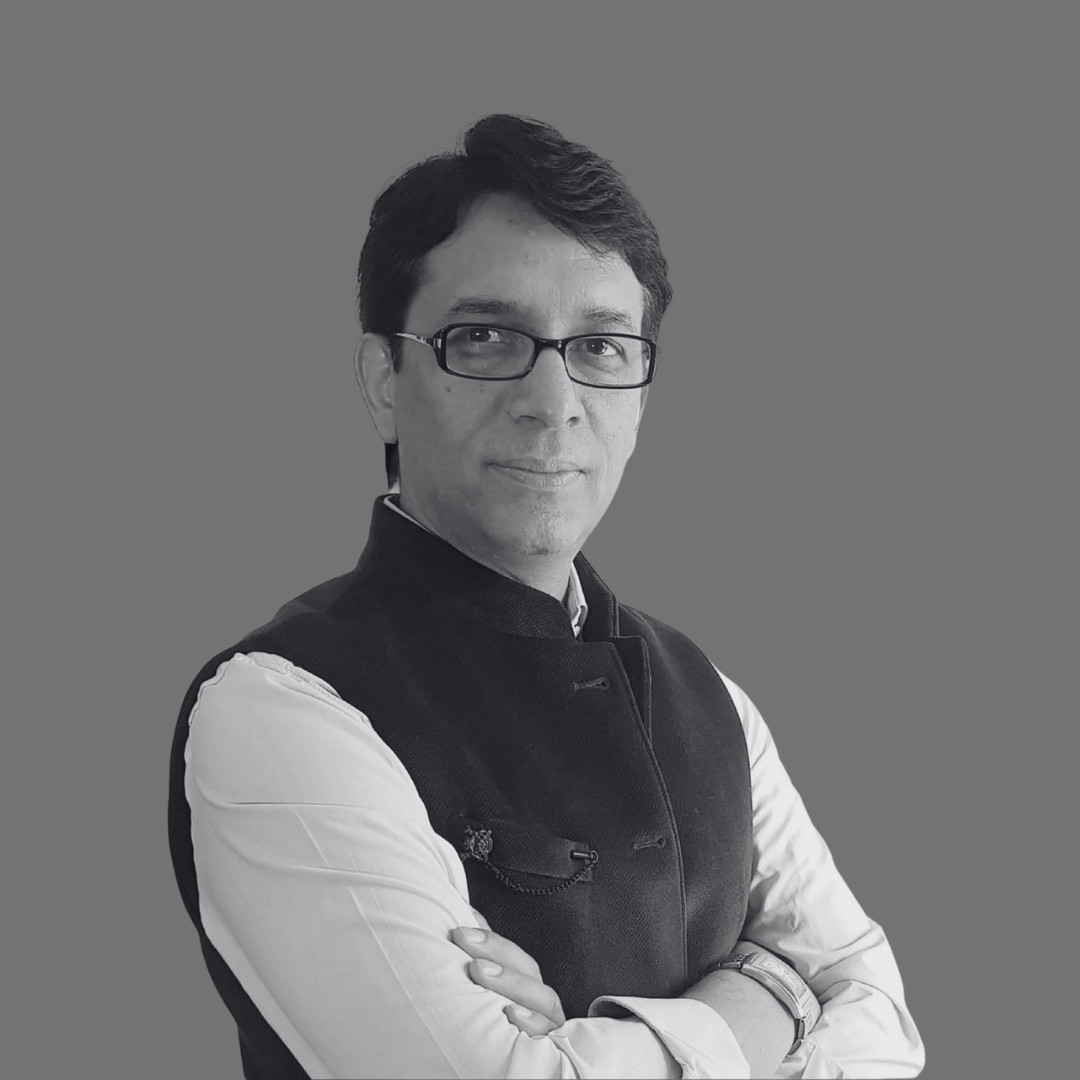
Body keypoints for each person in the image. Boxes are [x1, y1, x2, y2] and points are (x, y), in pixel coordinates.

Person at [169, 114, 924, 1079]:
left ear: (640, 393)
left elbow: (884, 1023)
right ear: (383, 379)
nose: (554, 401)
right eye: (485, 337)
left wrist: (585, 1040)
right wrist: (772, 995)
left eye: (602, 346)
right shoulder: (280, 707)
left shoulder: (713, 699)